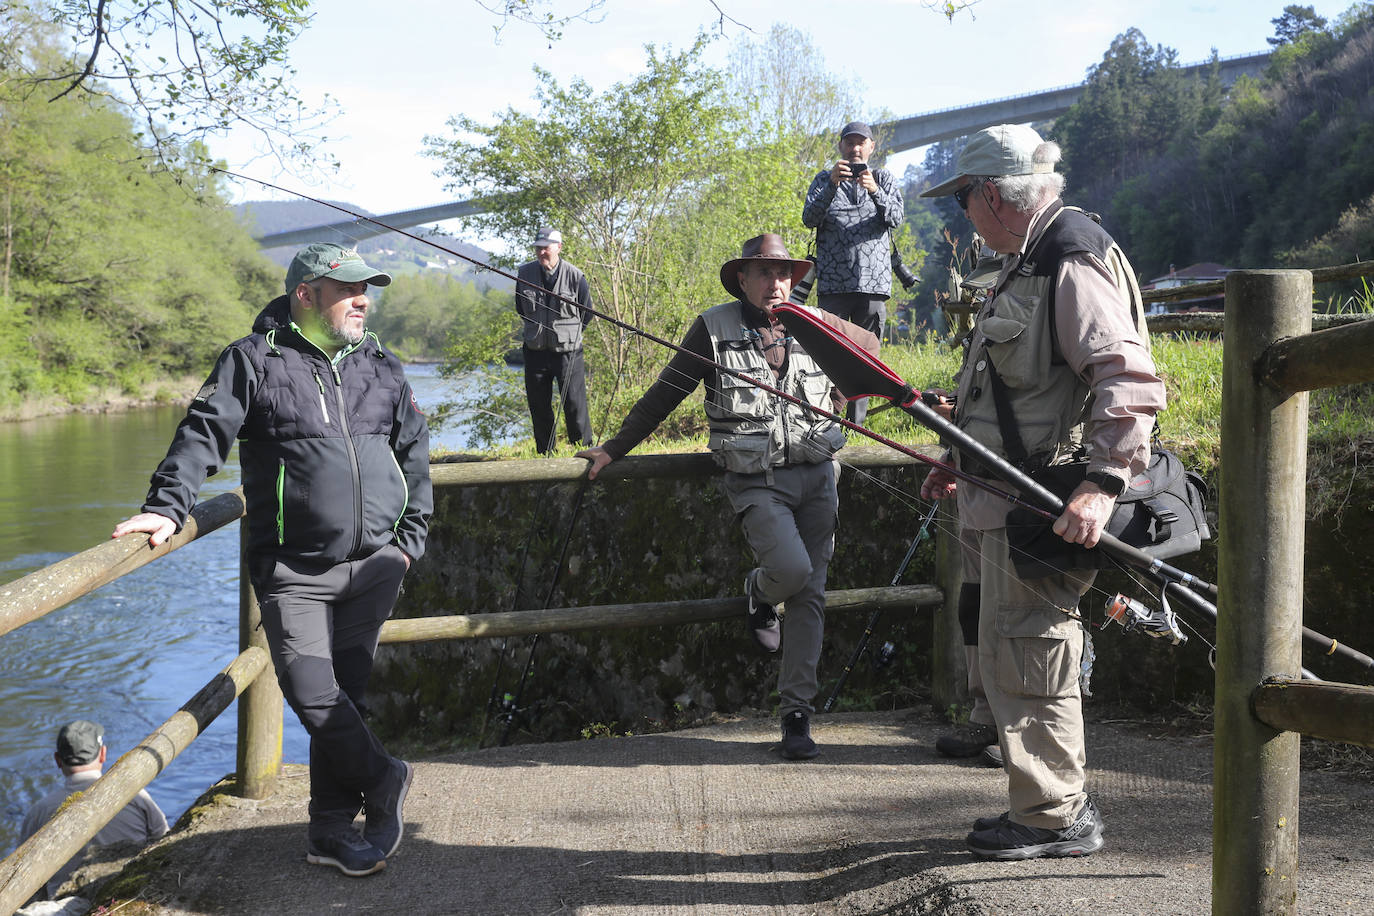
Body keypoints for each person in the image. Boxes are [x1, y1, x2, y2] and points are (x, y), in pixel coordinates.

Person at [111, 243, 432, 878]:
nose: (363, 298)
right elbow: (203, 433)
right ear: (305, 294)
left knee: (349, 698)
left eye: (367, 287)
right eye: (348, 288)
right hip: (294, 572)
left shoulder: (382, 366)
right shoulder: (251, 360)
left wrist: (408, 540)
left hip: (375, 565)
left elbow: (415, 452)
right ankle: (384, 777)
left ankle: (331, 831)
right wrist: (167, 505)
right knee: (315, 695)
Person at [918, 125, 1165, 860]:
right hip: (1001, 496)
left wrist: (1101, 483)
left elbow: (1126, 377)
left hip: (1048, 504)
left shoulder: (1068, 254)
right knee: (1004, 650)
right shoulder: (1028, 258)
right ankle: (1042, 805)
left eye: (963, 198)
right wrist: (955, 456)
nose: (962, 213)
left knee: (1034, 651)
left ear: (991, 194)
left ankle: (1057, 814)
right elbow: (1008, 389)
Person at [577, 234, 879, 761]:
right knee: (792, 572)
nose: (776, 283)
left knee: (811, 595)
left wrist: (838, 347)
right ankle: (760, 591)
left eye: (784, 273)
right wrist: (613, 449)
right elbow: (665, 393)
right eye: (764, 273)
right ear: (742, 279)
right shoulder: (713, 326)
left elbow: (870, 360)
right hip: (756, 480)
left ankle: (796, 714)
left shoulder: (816, 323)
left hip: (819, 476)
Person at [802, 120, 903, 426]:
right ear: (841, 147)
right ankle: (823, 416)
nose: (855, 148)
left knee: (866, 356)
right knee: (825, 352)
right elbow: (809, 218)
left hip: (873, 284)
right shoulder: (824, 179)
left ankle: (856, 424)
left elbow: (896, 218)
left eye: (862, 143)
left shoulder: (884, 178)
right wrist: (831, 185)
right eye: (850, 142)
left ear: (872, 147)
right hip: (833, 284)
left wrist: (875, 191)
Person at [20, 720, 168, 900]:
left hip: (64, 905)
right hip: (130, 895)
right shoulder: (136, 795)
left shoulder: (39, 812)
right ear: (103, 754)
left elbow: (27, 881)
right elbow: (165, 843)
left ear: (58, 760)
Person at [516, 227, 594, 453]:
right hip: (535, 350)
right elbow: (521, 309)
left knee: (574, 403)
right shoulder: (524, 274)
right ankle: (545, 451)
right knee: (538, 405)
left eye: (546, 248)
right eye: (538, 248)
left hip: (569, 351)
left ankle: (583, 448)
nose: (541, 253)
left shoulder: (576, 276)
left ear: (558, 248)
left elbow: (586, 313)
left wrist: (569, 334)